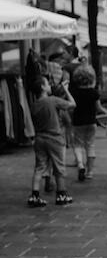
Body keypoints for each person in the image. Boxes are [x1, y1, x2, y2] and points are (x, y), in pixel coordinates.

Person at [28, 75, 75, 207]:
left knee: (39, 167)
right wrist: (66, 90)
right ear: (43, 87)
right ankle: (61, 194)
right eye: (47, 83)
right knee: (59, 167)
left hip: (39, 138)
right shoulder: (53, 100)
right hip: (55, 138)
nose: (49, 85)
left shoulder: (34, 105)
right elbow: (72, 104)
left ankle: (34, 195)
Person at [70, 63, 106, 181]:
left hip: (77, 122)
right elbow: (99, 108)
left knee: (78, 145)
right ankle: (90, 172)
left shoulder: (74, 92)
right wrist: (105, 111)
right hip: (91, 122)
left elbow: (71, 107)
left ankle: (80, 164)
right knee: (90, 145)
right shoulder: (94, 93)